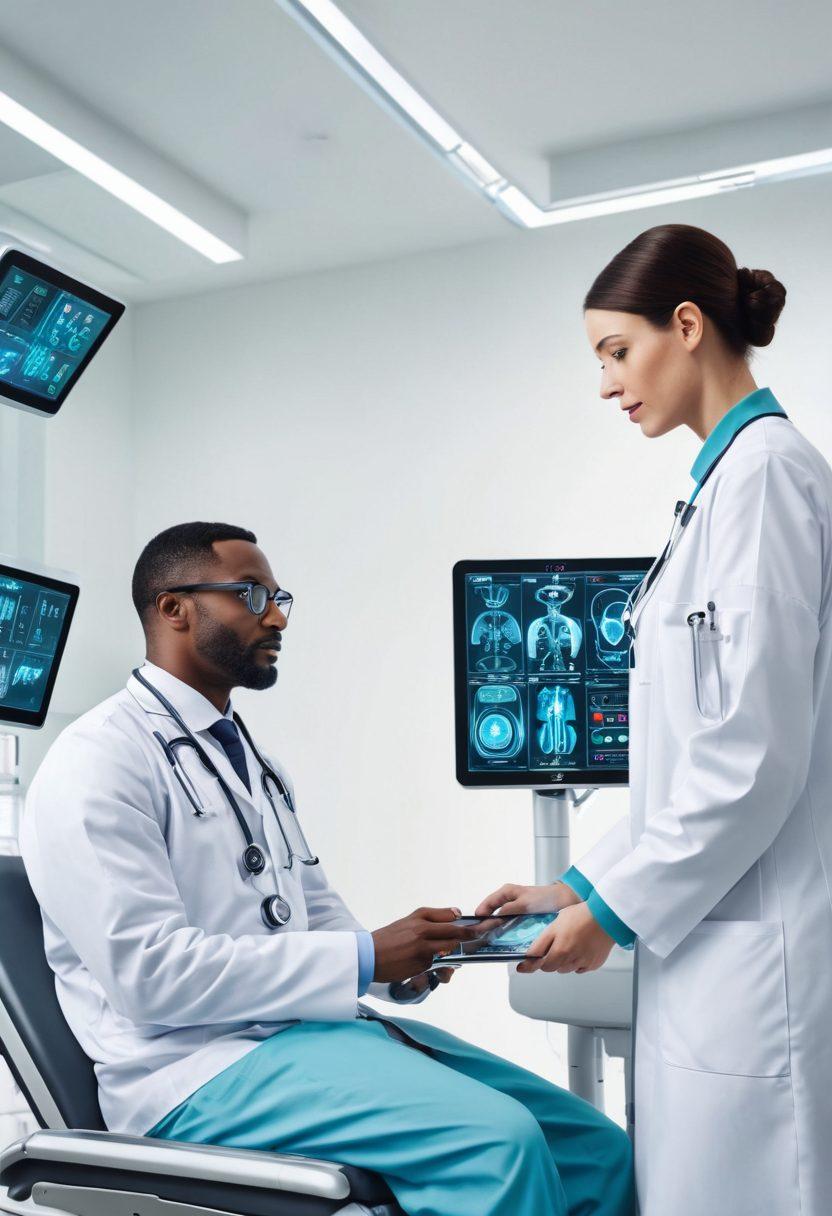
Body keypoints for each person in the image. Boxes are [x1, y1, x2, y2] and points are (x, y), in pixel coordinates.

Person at [20, 521, 634, 1216]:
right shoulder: (98, 760)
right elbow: (149, 978)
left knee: (596, 1152)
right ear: (173, 609)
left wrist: (411, 965)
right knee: (499, 1145)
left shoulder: (252, 764)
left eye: (280, 597)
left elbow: (311, 912)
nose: (277, 615)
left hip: (307, 1037)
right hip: (191, 1074)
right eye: (251, 595)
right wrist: (366, 958)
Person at [478, 223, 832, 1216]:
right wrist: (577, 885)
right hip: (715, 952)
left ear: (686, 325)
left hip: (757, 962)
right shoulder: (720, 490)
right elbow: (692, 765)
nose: (604, 384)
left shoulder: (767, 478)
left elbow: (751, 759)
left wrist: (613, 914)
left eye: (615, 351)